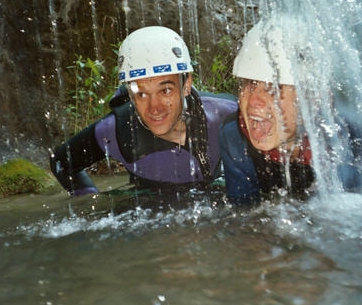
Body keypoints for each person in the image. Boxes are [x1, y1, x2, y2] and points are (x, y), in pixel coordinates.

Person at [50, 26, 237, 200]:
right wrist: (90, 199)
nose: (154, 108)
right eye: (141, 94)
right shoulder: (116, 130)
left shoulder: (224, 114)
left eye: (165, 91)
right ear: (130, 94)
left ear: (186, 84)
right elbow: (61, 161)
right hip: (149, 205)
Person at [219, 18, 315, 204]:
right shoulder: (235, 135)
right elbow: (243, 212)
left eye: (274, 89)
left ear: (311, 99)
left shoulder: (342, 145)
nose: (254, 101)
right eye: (251, 84)